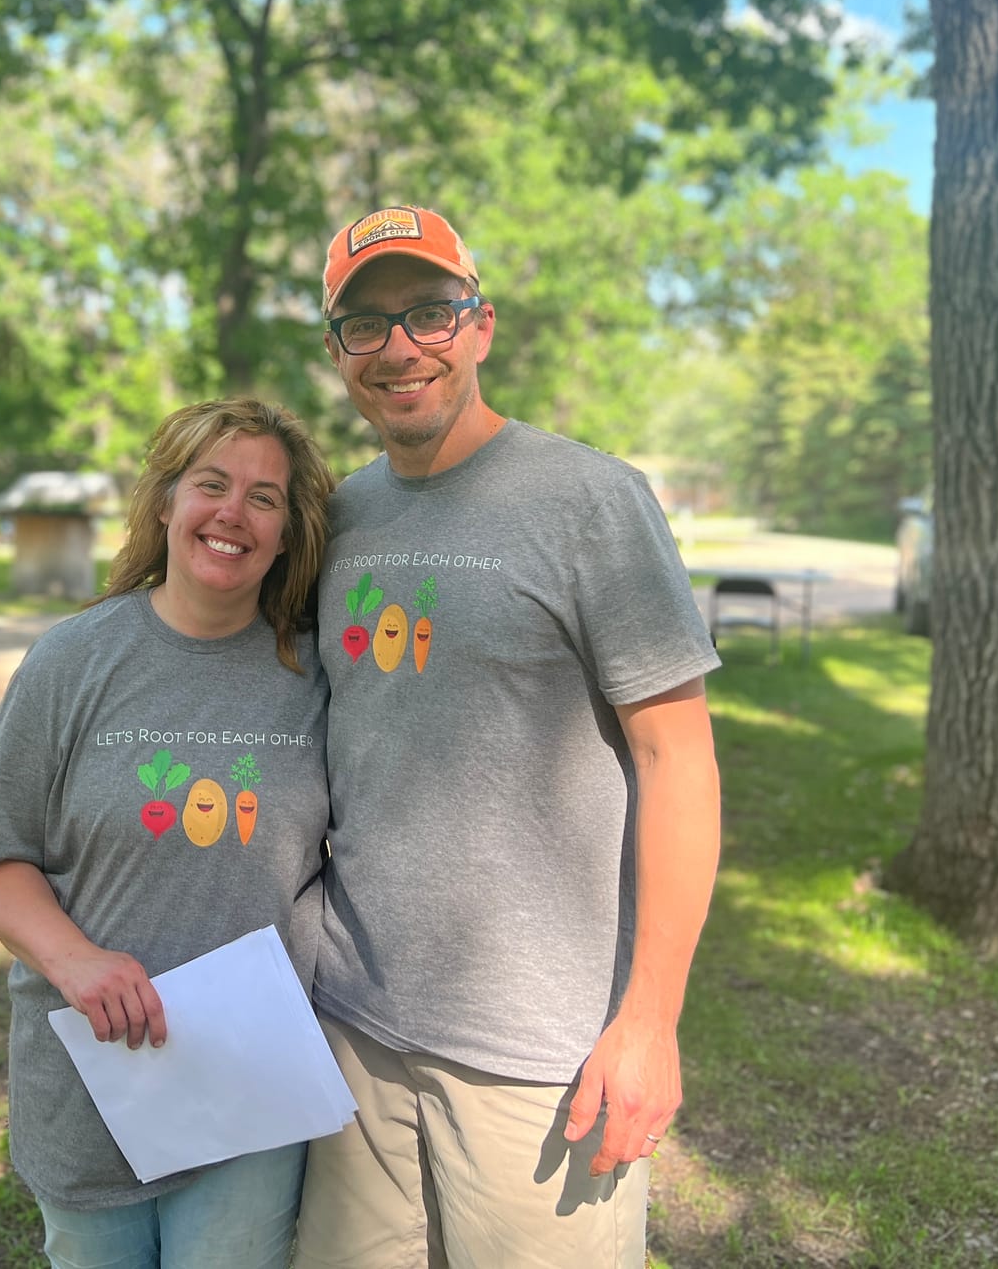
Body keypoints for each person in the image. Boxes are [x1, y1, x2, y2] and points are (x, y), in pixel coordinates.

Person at [294, 205, 723, 1268]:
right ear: (338, 354)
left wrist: (649, 1022)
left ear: (479, 326)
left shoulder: (587, 501)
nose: (399, 346)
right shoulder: (341, 516)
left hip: (541, 1058)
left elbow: (679, 759)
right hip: (351, 1029)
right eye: (365, 324)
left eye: (429, 311)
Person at [0, 398, 336, 1269]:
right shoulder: (73, 660)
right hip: (95, 1079)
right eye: (211, 484)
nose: (233, 513)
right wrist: (76, 962)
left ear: (288, 534)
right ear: (165, 503)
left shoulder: (317, 672)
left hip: (251, 1080)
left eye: (264, 497)